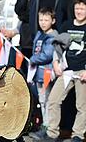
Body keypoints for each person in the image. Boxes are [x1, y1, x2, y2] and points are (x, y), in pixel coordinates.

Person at [41, 0, 86, 142]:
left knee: (82, 105)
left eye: (82, 8)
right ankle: (52, 133)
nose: (79, 11)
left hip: (82, 72)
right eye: (77, 8)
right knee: (53, 100)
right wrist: (55, 63)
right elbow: (58, 47)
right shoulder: (67, 25)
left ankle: (78, 135)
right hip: (66, 71)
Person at [29, 7, 58, 137]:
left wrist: (33, 59)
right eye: (41, 19)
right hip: (37, 74)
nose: (43, 22)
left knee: (47, 100)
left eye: (46, 20)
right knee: (41, 100)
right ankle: (44, 123)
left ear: (53, 21)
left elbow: (47, 55)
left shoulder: (52, 36)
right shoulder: (39, 34)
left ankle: (48, 126)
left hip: (47, 73)